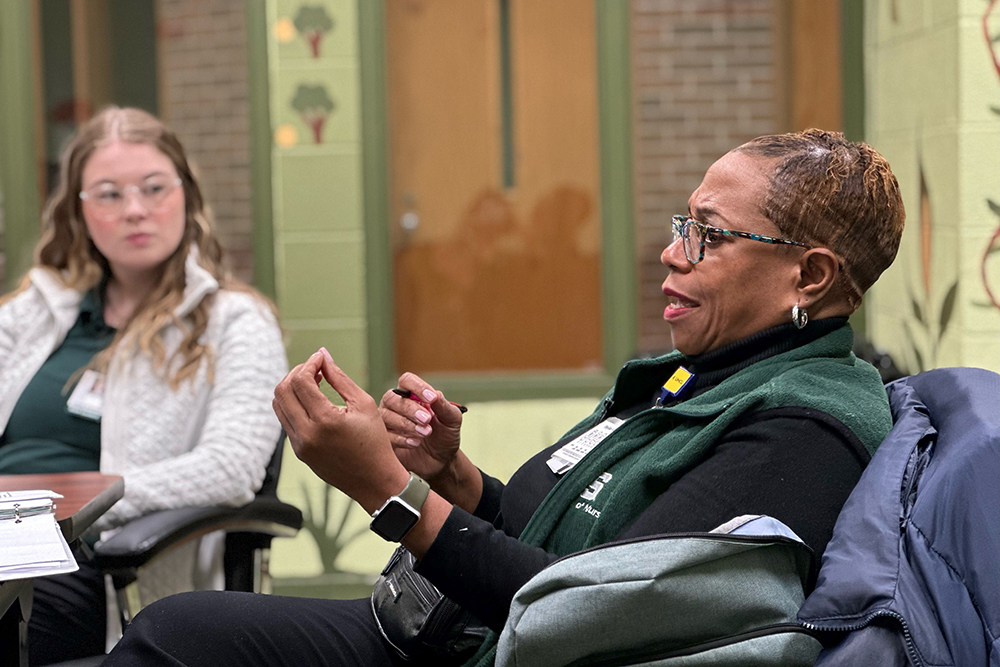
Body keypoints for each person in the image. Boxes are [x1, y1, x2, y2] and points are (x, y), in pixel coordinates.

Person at [102, 129, 906, 667]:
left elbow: (587, 608)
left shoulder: (803, 426)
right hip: (428, 624)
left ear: (810, 276)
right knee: (171, 629)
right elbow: (571, 533)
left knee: (172, 637)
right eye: (680, 223)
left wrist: (387, 489)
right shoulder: (710, 368)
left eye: (709, 233)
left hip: (473, 650)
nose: (671, 251)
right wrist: (452, 476)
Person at [0, 107, 288, 665]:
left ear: (186, 195)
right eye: (108, 195)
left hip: (85, 558)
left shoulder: (234, 321)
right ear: (79, 213)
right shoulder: (32, 313)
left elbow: (231, 468)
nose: (135, 209)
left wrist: (71, 506)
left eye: (153, 188)